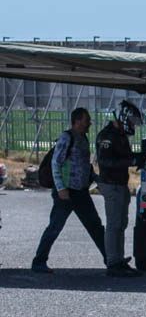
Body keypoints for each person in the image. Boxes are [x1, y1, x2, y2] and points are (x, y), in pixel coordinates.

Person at [31, 107, 108, 274]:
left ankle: (111, 260)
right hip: (66, 193)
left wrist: (96, 179)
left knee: (95, 226)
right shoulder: (67, 138)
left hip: (80, 191)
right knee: (55, 227)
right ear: (77, 120)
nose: (89, 123)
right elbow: (55, 164)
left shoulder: (83, 138)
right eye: (86, 120)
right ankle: (39, 261)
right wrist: (60, 189)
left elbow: (84, 165)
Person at [95, 100, 145, 277]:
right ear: (124, 117)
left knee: (121, 224)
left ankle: (118, 258)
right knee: (114, 224)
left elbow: (123, 156)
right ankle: (113, 262)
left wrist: (139, 157)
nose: (133, 125)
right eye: (131, 121)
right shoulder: (108, 136)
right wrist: (131, 161)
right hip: (111, 184)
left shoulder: (120, 135)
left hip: (120, 184)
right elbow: (106, 161)